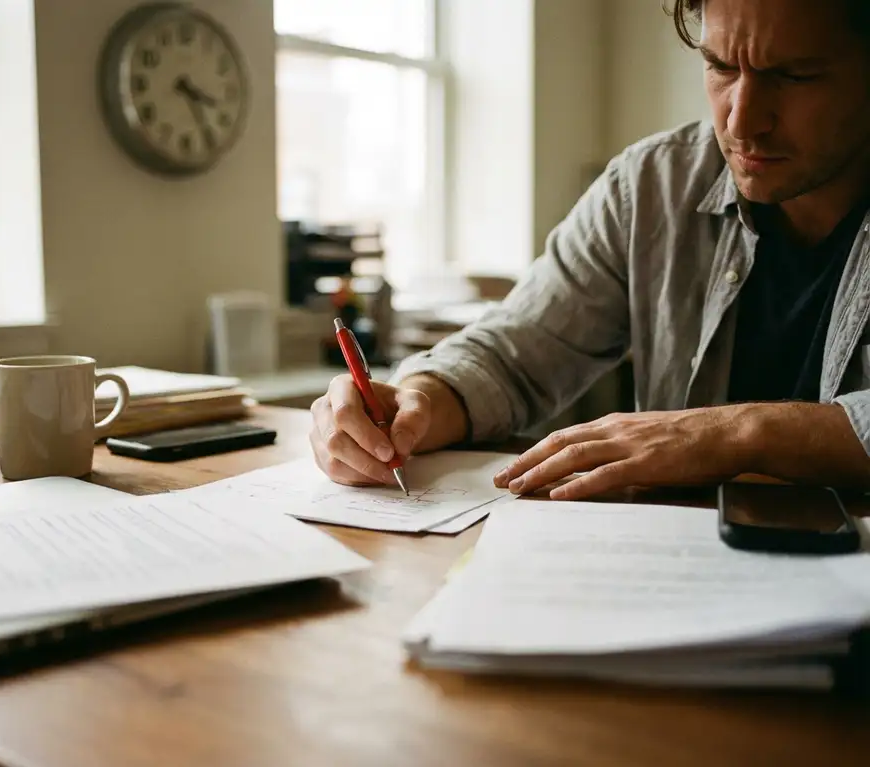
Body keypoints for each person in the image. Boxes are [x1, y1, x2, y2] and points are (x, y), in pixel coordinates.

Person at [310, 0, 870, 501]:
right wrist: (418, 401)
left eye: (795, 76)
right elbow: (514, 354)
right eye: (721, 67)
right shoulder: (652, 187)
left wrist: (733, 435)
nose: (743, 121)